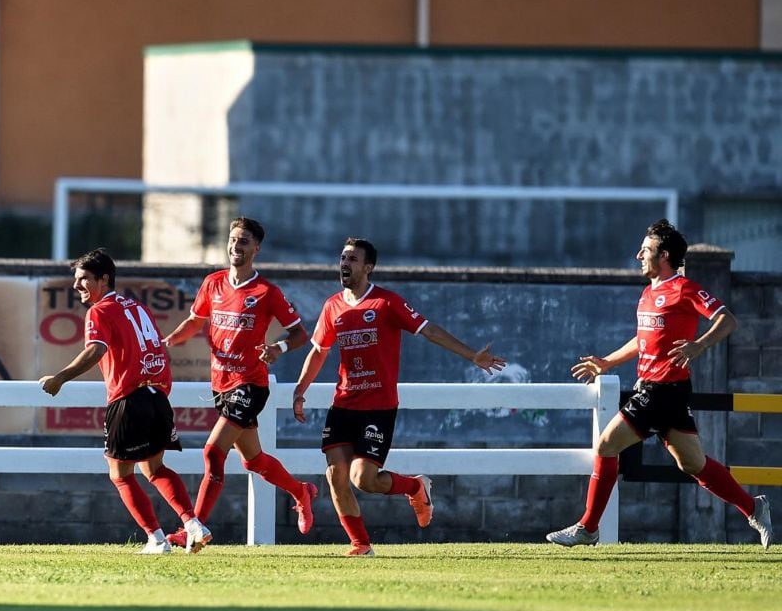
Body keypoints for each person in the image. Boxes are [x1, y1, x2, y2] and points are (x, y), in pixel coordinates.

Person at [547, 219, 773, 549]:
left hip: (661, 391)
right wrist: (608, 361)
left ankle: (588, 528)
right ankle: (754, 507)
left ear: (664, 255)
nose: (639, 254)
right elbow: (643, 339)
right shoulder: (648, 293)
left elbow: (728, 320)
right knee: (693, 464)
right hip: (661, 392)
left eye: (646, 249)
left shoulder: (685, 289)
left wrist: (700, 345)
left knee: (606, 445)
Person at [292, 237, 506, 556]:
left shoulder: (387, 302)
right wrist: (299, 390)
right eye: (342, 258)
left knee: (363, 478)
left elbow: (429, 330)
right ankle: (361, 545)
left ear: (368, 267)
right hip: (343, 405)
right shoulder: (332, 306)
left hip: (378, 408)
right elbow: (318, 352)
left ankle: (415, 486)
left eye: (352, 259)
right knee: (335, 475)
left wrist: (471, 355)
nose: (344, 264)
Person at [39, 248, 213, 554]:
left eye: (83, 279)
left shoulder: (99, 311)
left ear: (103, 279)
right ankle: (193, 524)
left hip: (129, 399)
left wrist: (60, 378)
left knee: (120, 474)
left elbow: (96, 350)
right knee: (155, 469)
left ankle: (156, 539)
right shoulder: (137, 307)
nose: (77, 286)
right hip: (157, 397)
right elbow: (158, 348)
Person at [162, 217, 317, 548]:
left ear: (256, 248)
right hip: (221, 384)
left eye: (244, 241)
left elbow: (301, 333)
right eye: (233, 239)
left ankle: (194, 528)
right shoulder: (213, 283)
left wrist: (278, 347)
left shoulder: (267, 292)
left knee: (212, 452)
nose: (236, 246)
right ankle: (301, 491)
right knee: (253, 460)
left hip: (250, 384)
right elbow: (195, 321)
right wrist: (166, 343)